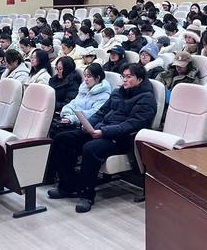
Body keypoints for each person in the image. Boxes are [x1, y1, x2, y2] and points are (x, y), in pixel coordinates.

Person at [47, 64, 156, 213]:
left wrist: (103, 132)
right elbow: (101, 113)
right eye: (123, 76)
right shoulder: (118, 92)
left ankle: (86, 195)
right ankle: (68, 185)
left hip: (121, 139)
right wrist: (88, 125)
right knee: (63, 139)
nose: (124, 80)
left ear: (140, 79)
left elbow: (130, 125)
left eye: (129, 77)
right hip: (101, 130)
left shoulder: (146, 99)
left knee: (91, 148)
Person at [58, 63, 112, 129]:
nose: (86, 79)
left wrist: (72, 118)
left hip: (85, 126)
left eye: (88, 76)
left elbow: (92, 113)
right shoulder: (84, 89)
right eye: (85, 76)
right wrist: (67, 114)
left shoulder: (104, 96)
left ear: (98, 78)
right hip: (72, 121)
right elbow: (73, 103)